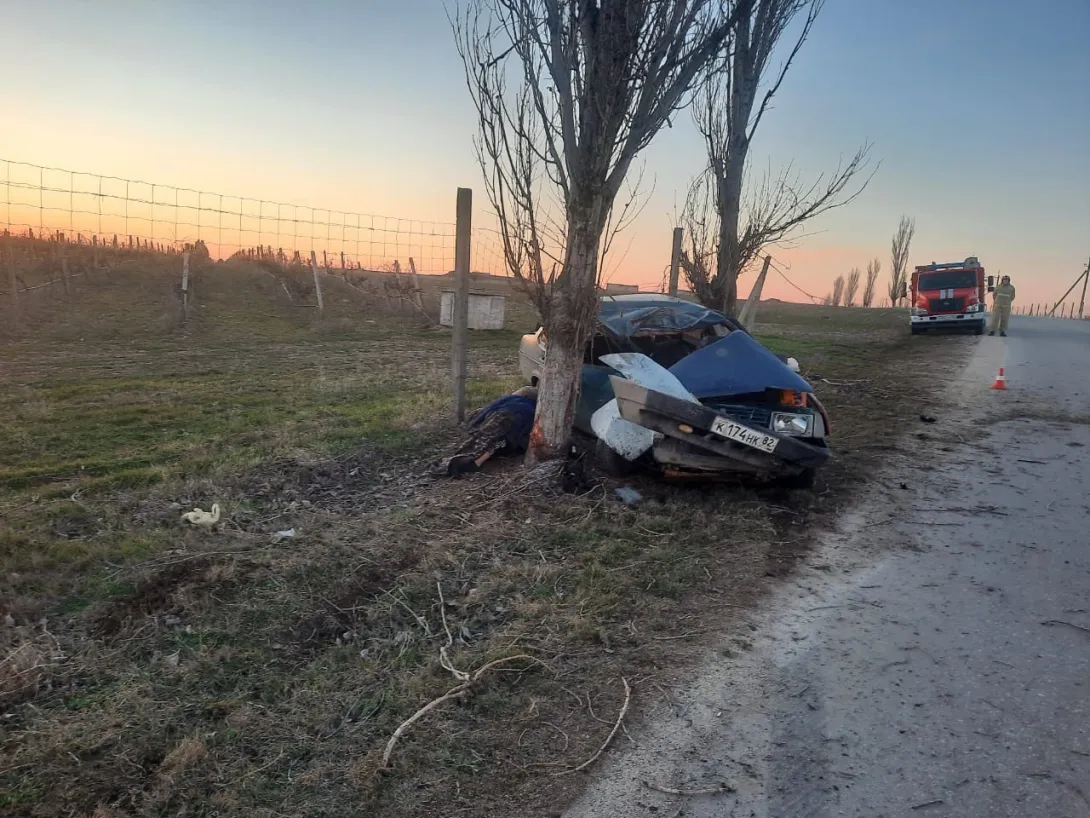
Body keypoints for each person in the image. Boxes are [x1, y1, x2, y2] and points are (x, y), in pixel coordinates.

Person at [430, 386, 539, 477]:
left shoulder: (508, 400)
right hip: (507, 425)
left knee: (479, 444)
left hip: (498, 420)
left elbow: (481, 413)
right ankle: (474, 461)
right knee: (495, 444)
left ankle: (469, 461)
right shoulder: (530, 408)